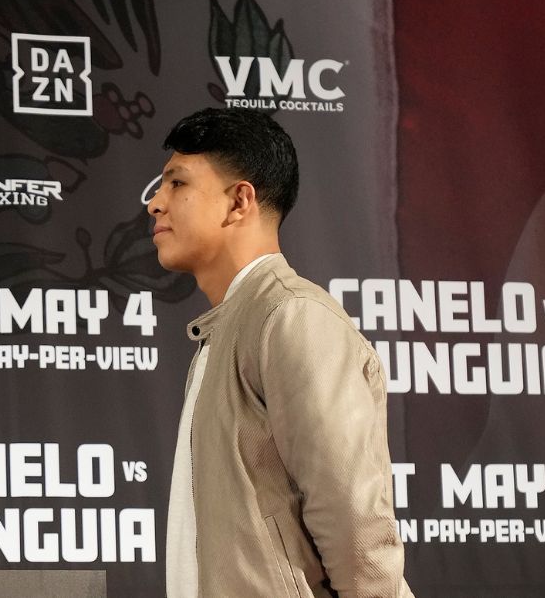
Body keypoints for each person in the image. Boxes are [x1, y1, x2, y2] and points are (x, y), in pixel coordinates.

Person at [148, 108, 413, 597]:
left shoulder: (291, 318)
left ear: (239, 201)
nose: (156, 204)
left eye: (177, 184)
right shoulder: (228, 329)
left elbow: (356, 524)